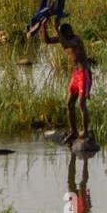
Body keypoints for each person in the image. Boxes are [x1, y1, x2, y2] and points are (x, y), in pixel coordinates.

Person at [42, 17, 92, 145]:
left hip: (84, 74)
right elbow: (47, 41)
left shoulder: (76, 39)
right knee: (69, 104)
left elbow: (65, 45)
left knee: (81, 104)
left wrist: (56, 28)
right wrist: (43, 25)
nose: (68, 35)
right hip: (75, 75)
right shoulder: (64, 38)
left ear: (71, 32)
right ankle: (74, 132)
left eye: (68, 33)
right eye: (65, 34)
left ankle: (85, 132)